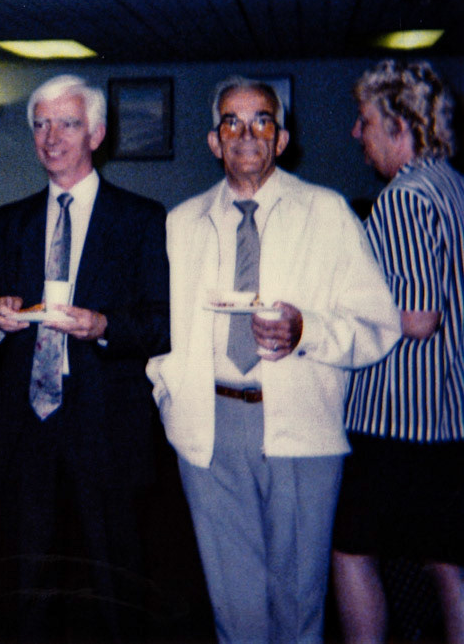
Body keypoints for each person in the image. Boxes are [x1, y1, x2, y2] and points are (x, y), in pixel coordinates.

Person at [145, 75, 400, 643]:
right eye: (230, 122)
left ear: (281, 139)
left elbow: (378, 326)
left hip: (301, 431)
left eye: (261, 120)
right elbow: (164, 326)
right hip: (210, 434)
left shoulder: (328, 213)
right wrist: (168, 394)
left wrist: (305, 329)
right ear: (214, 142)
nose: (246, 134)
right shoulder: (182, 223)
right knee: (233, 612)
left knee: (297, 607)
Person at [0, 74, 169, 641]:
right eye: (41, 124)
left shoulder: (141, 219)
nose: (51, 136)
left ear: (97, 133)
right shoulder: (11, 220)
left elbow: (162, 323)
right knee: (29, 579)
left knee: (115, 578)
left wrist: (104, 325)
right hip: (28, 422)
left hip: (105, 422)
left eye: (67, 123)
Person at [332, 59, 464, 643]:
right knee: (446, 560)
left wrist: (335, 312)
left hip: (397, 418)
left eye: (365, 121)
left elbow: (417, 318)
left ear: (400, 124)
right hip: (448, 412)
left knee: (349, 551)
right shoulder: (452, 183)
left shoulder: (405, 198)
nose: (357, 134)